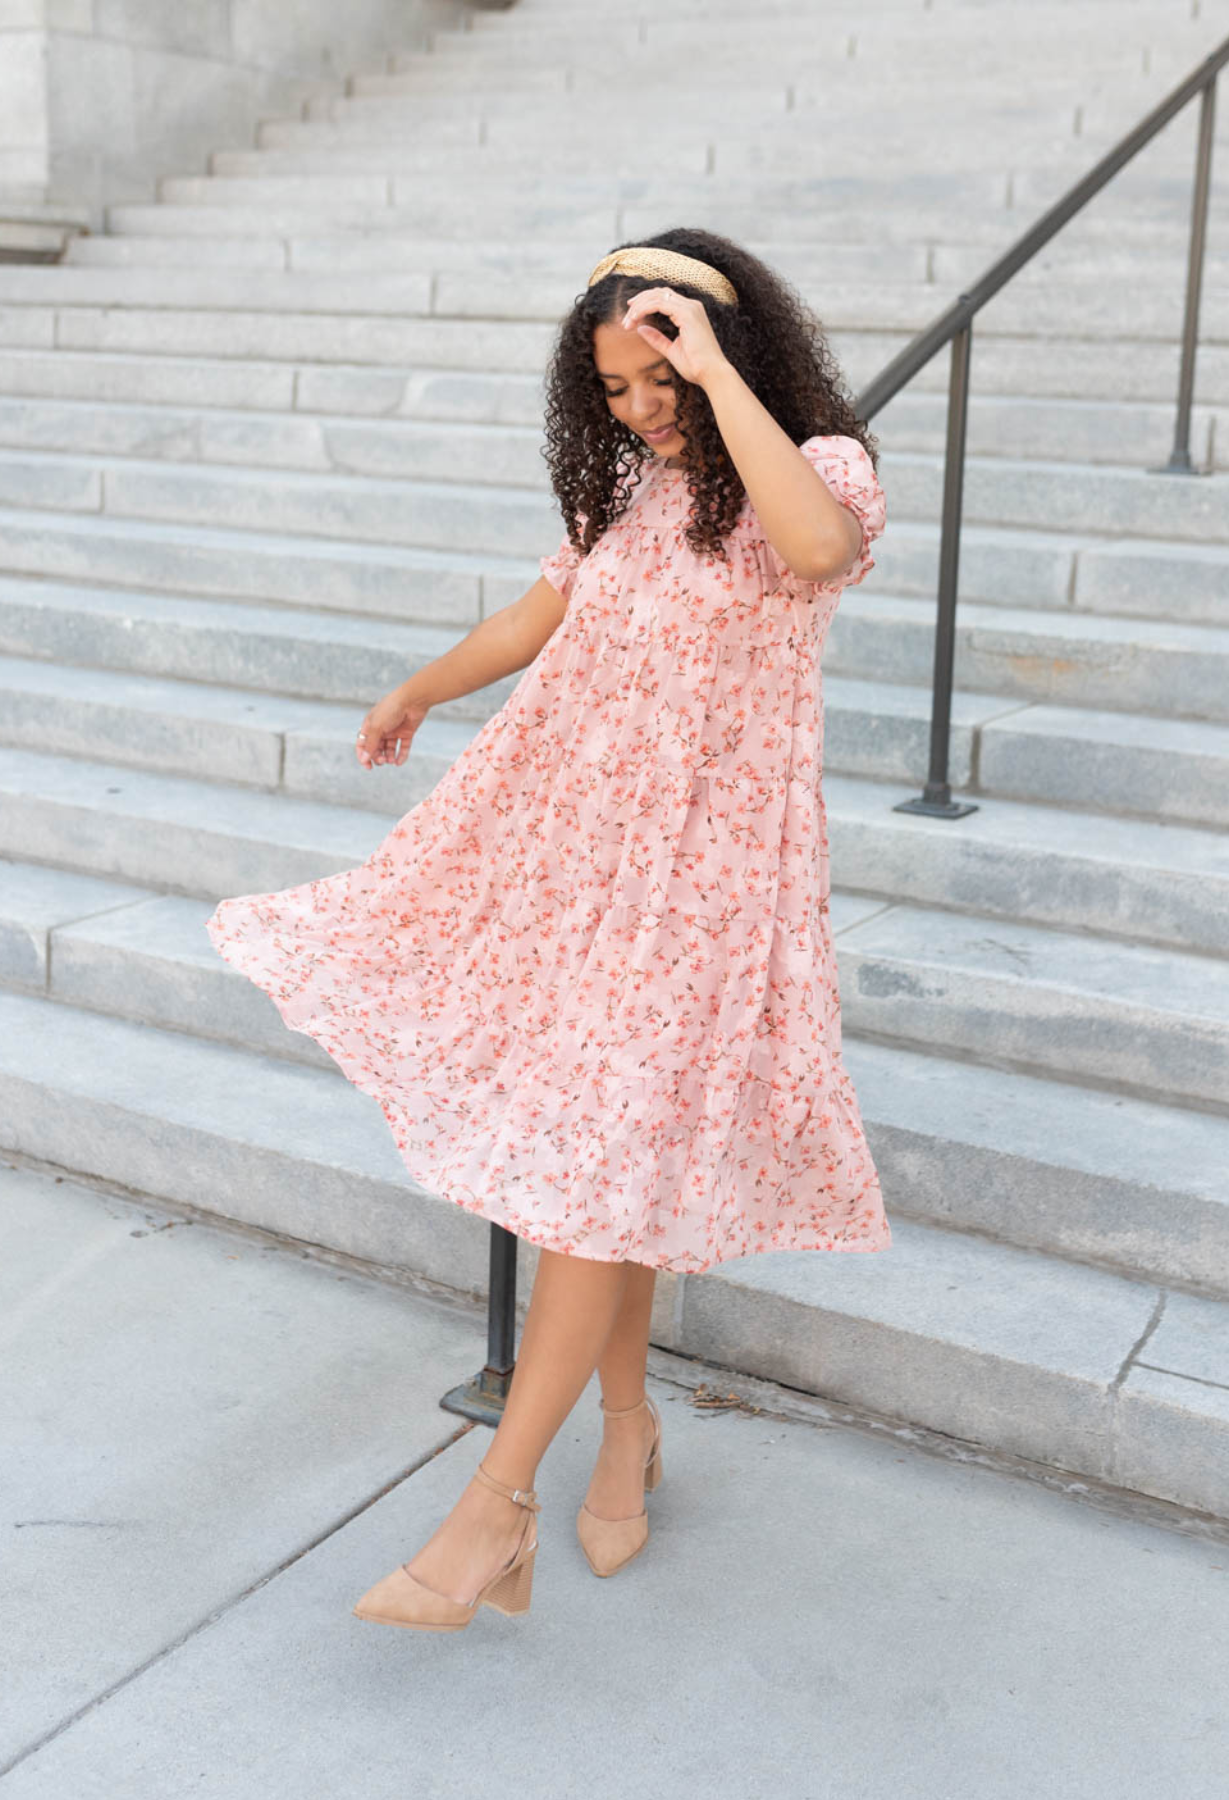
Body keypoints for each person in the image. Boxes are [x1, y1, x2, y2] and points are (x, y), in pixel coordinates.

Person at [204, 227, 893, 1634]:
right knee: (604, 1173)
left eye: (662, 376)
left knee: (596, 1178)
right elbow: (538, 614)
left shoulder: (813, 467)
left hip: (710, 883)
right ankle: (626, 1426)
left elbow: (819, 554)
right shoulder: (634, 490)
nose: (641, 408)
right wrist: (415, 689)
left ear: (728, 349)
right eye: (618, 388)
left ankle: (491, 1511)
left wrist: (712, 370)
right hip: (585, 860)